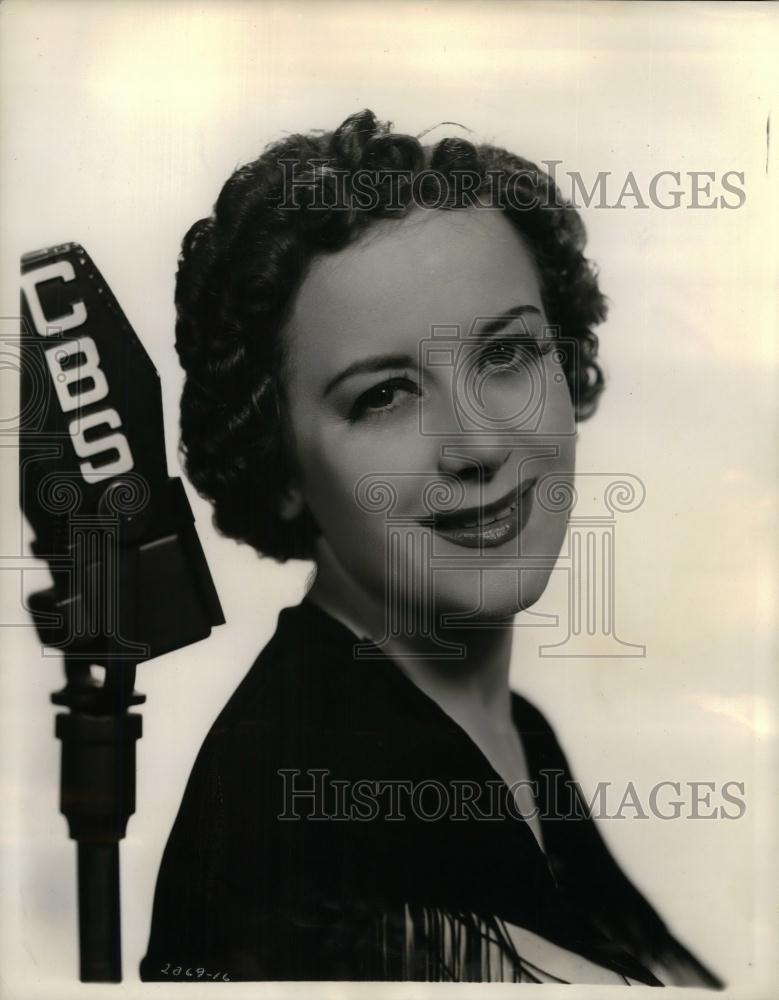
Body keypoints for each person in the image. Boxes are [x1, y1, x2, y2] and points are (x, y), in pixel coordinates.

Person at [140, 110, 722, 986]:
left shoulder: (516, 732)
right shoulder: (297, 812)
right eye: (383, 396)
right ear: (280, 459)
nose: (478, 444)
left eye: (508, 353)